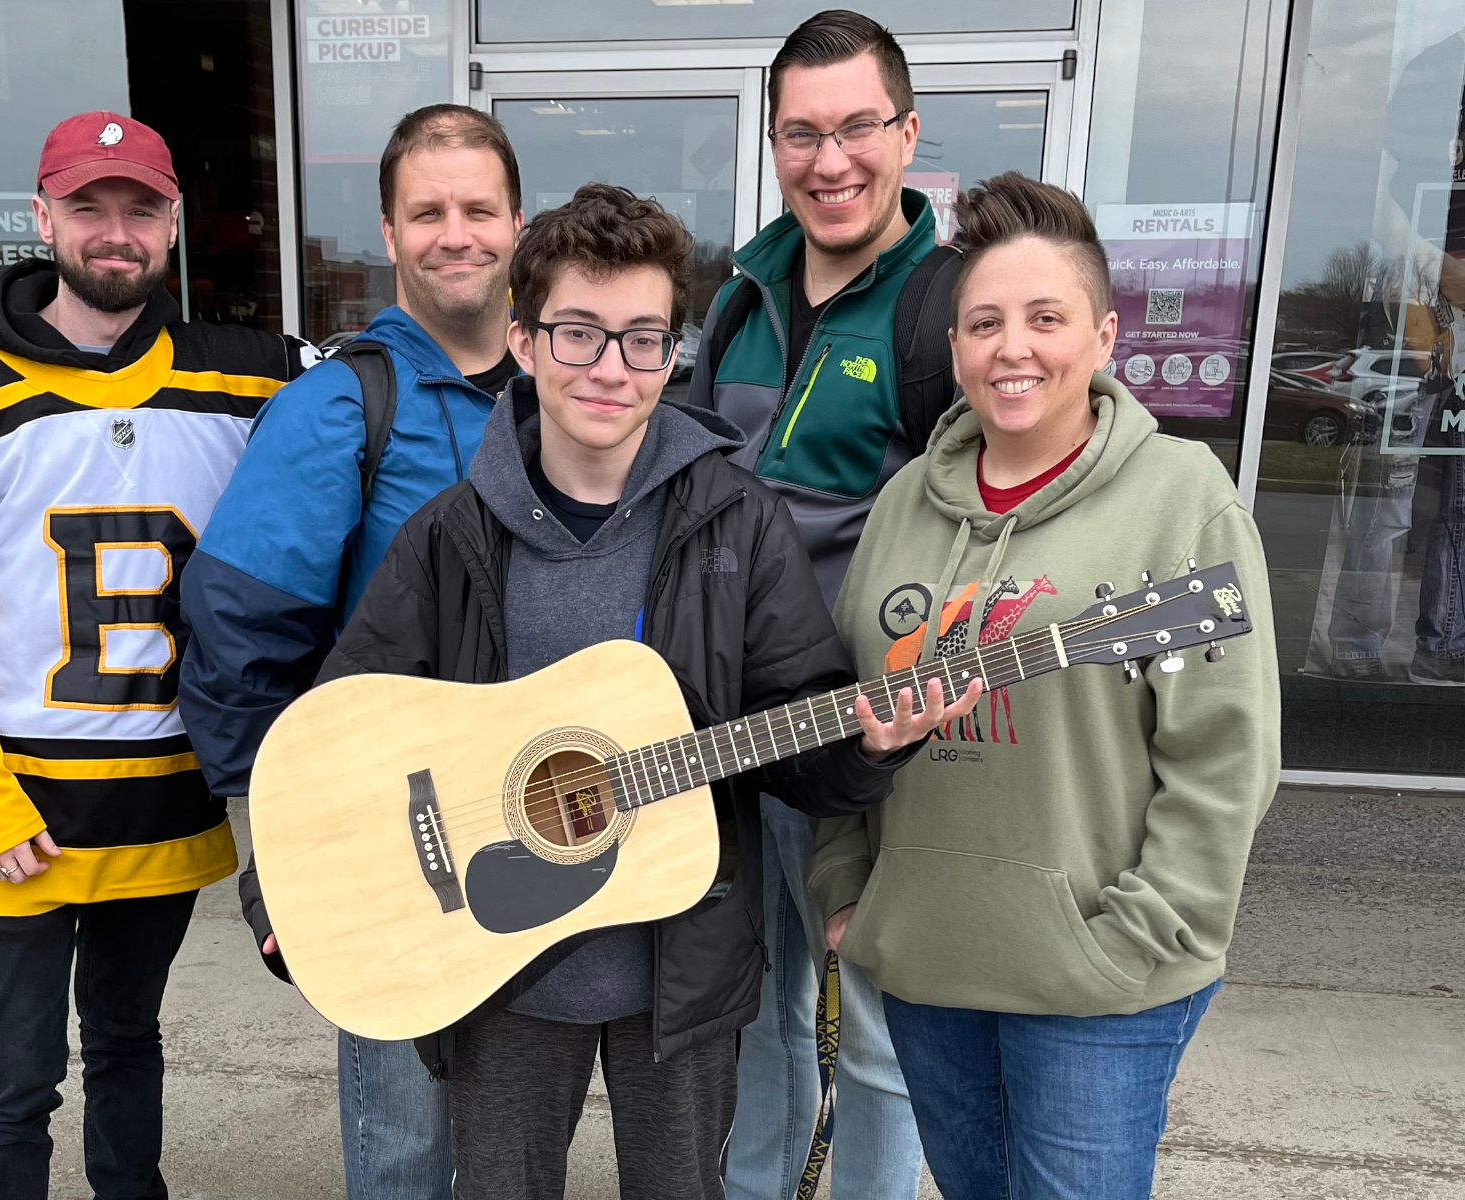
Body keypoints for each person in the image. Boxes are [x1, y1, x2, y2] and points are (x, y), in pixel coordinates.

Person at [309, 181, 972, 1200]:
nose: (611, 369)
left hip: (683, 961)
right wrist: (290, 897)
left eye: (643, 339)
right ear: (524, 342)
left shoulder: (737, 522)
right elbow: (340, 721)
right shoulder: (452, 532)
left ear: (676, 352)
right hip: (497, 967)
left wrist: (874, 741)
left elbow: (802, 724)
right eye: (579, 333)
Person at [811, 172, 1281, 1199]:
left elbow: (1226, 754)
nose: (1011, 347)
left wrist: (1143, 937)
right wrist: (850, 892)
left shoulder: (1182, 500)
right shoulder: (903, 505)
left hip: (1100, 989)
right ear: (956, 349)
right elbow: (851, 713)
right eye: (984, 322)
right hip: (933, 965)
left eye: (1044, 317)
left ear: (1105, 337)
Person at [0, 111, 312, 1200]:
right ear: (42, 218)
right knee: (15, 1080)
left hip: (163, 804)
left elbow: (398, 385)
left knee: (129, 1044)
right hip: (21, 809)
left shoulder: (252, 374)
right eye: (88, 207)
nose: (114, 231)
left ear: (172, 224)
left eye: (139, 209)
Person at [176, 104, 523, 1199]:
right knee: (407, 1153)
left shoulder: (573, 393)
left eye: (479, 208)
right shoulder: (338, 410)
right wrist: (277, 859)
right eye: (428, 211)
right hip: (388, 849)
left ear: (519, 222)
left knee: (518, 1141)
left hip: (539, 821)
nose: (455, 233)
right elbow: (235, 637)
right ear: (387, 230)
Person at [684, 12, 954, 1198]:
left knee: (881, 1027)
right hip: (733, 729)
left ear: (907, 132)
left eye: (858, 128)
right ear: (775, 142)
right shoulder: (739, 298)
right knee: (749, 1005)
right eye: (803, 133)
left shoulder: (943, 310)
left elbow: (977, 534)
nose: (830, 160)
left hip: (865, 736)